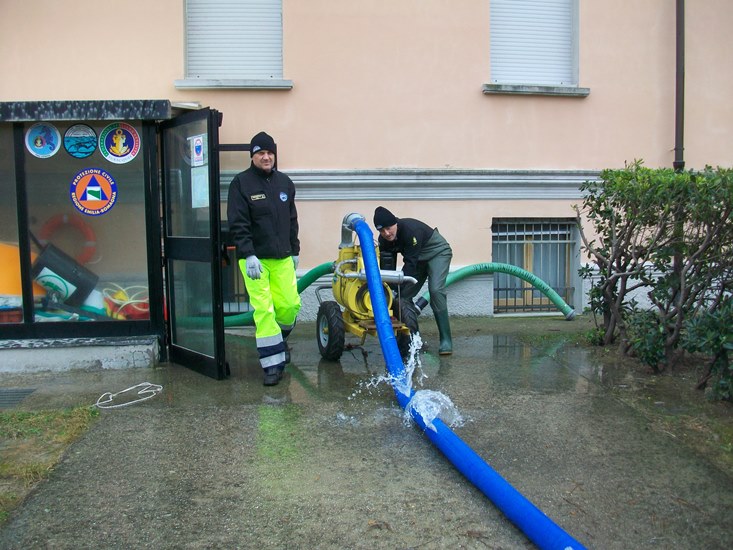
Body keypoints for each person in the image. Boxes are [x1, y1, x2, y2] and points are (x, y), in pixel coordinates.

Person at [227, 131, 301, 385]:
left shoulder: (284, 183)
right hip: (254, 260)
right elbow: (238, 223)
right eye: (261, 153)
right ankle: (272, 365)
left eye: (270, 153)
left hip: (282, 258)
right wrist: (248, 254)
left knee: (290, 306)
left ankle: (278, 345)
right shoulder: (241, 183)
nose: (266, 157)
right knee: (264, 310)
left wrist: (295, 250)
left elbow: (292, 220)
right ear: (253, 156)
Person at [373, 206, 453, 355]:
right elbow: (387, 268)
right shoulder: (383, 240)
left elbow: (410, 263)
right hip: (417, 260)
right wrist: (391, 291)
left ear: (395, 222)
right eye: (381, 231)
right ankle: (414, 340)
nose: (386, 233)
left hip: (437, 253)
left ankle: (446, 340)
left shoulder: (410, 231)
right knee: (402, 296)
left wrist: (398, 288)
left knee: (435, 290)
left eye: (389, 228)